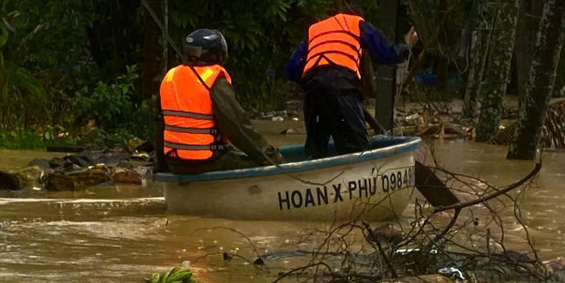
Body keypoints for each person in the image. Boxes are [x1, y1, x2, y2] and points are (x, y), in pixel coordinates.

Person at [286, 12, 417, 158]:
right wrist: (407, 45)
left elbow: (292, 69)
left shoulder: (315, 30)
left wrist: (316, 81)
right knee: (356, 150)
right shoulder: (356, 23)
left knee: (315, 150)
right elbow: (386, 54)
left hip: (313, 90)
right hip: (342, 87)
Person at [158, 29, 284, 173]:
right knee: (261, 165)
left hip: (174, 162)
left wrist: (162, 167)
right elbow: (237, 126)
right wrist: (270, 156)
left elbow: (160, 125)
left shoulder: (170, 77)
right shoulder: (214, 80)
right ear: (218, 54)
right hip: (206, 162)